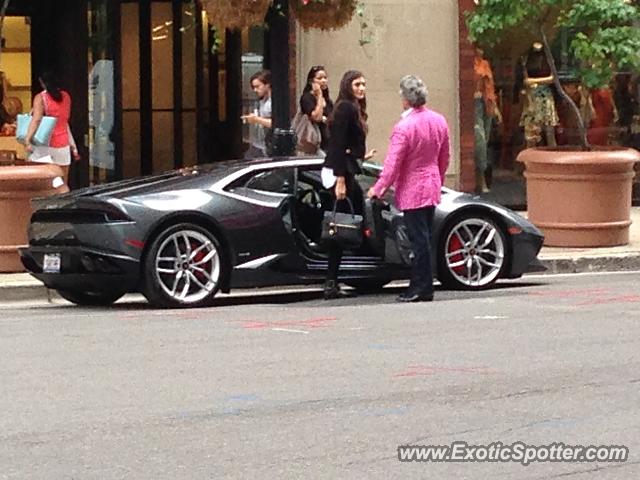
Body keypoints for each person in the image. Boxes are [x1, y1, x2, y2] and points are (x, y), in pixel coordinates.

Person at [367, 75, 450, 303]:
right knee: (425, 237)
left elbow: (393, 164)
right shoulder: (439, 121)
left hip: (413, 188)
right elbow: (445, 156)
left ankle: (420, 286)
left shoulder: (404, 127)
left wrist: (379, 188)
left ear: (405, 99)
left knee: (417, 239)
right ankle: (424, 284)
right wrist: (438, 179)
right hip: (431, 183)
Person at [322, 70, 376, 300]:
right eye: (357, 84)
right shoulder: (346, 108)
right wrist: (341, 179)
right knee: (340, 227)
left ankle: (338, 278)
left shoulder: (350, 107)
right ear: (347, 85)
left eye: (363, 84)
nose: (361, 88)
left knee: (345, 226)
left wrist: (360, 156)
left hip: (345, 168)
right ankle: (331, 282)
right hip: (340, 174)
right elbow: (337, 144)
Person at [25, 71, 79, 184]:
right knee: (62, 183)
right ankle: (62, 201)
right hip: (63, 145)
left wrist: (28, 139)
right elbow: (64, 119)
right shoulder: (66, 97)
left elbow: (37, 120)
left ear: (43, 83)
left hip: (44, 144)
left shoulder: (40, 98)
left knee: (42, 182)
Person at [473, 46, 498, 193]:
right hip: (474, 103)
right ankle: (480, 178)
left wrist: (495, 106)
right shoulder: (473, 66)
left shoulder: (485, 64)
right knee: (480, 140)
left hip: (486, 102)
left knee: (485, 139)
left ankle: (481, 178)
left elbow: (490, 87)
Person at [299, 65, 334, 154]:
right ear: (311, 81)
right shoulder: (307, 98)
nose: (323, 81)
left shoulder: (328, 101)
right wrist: (319, 95)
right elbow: (316, 117)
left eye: (325, 78)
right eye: (319, 78)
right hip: (313, 143)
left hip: (328, 144)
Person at [242, 70, 272, 158]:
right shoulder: (260, 101)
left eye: (258, 86)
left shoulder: (273, 103)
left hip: (267, 147)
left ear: (267, 85)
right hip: (257, 144)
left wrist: (256, 119)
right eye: (253, 87)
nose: (255, 90)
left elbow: (276, 123)